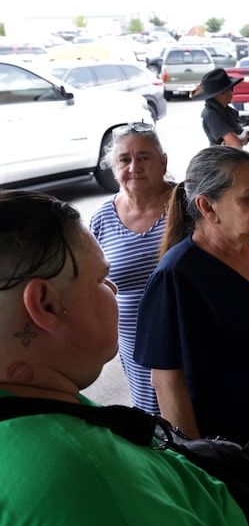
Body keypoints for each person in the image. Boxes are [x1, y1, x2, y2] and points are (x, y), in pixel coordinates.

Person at [0, 190, 249, 526]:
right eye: (101, 279)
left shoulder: (33, 409)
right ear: (47, 306)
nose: (114, 288)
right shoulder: (89, 483)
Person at [134, 146, 249, 452]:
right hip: (230, 447)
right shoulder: (177, 276)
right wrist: (201, 466)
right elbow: (167, 383)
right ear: (207, 207)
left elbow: (243, 308)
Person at [89, 123, 173, 414]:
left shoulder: (187, 206)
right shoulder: (102, 219)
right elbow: (91, 282)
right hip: (135, 348)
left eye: (144, 157)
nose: (134, 166)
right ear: (114, 168)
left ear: (163, 162)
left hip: (188, 341)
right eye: (125, 159)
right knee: (154, 423)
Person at [193, 68, 249, 147]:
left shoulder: (224, 109)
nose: (232, 92)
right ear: (223, 93)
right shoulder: (212, 114)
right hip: (221, 158)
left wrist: (244, 135)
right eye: (231, 89)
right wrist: (246, 132)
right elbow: (235, 143)